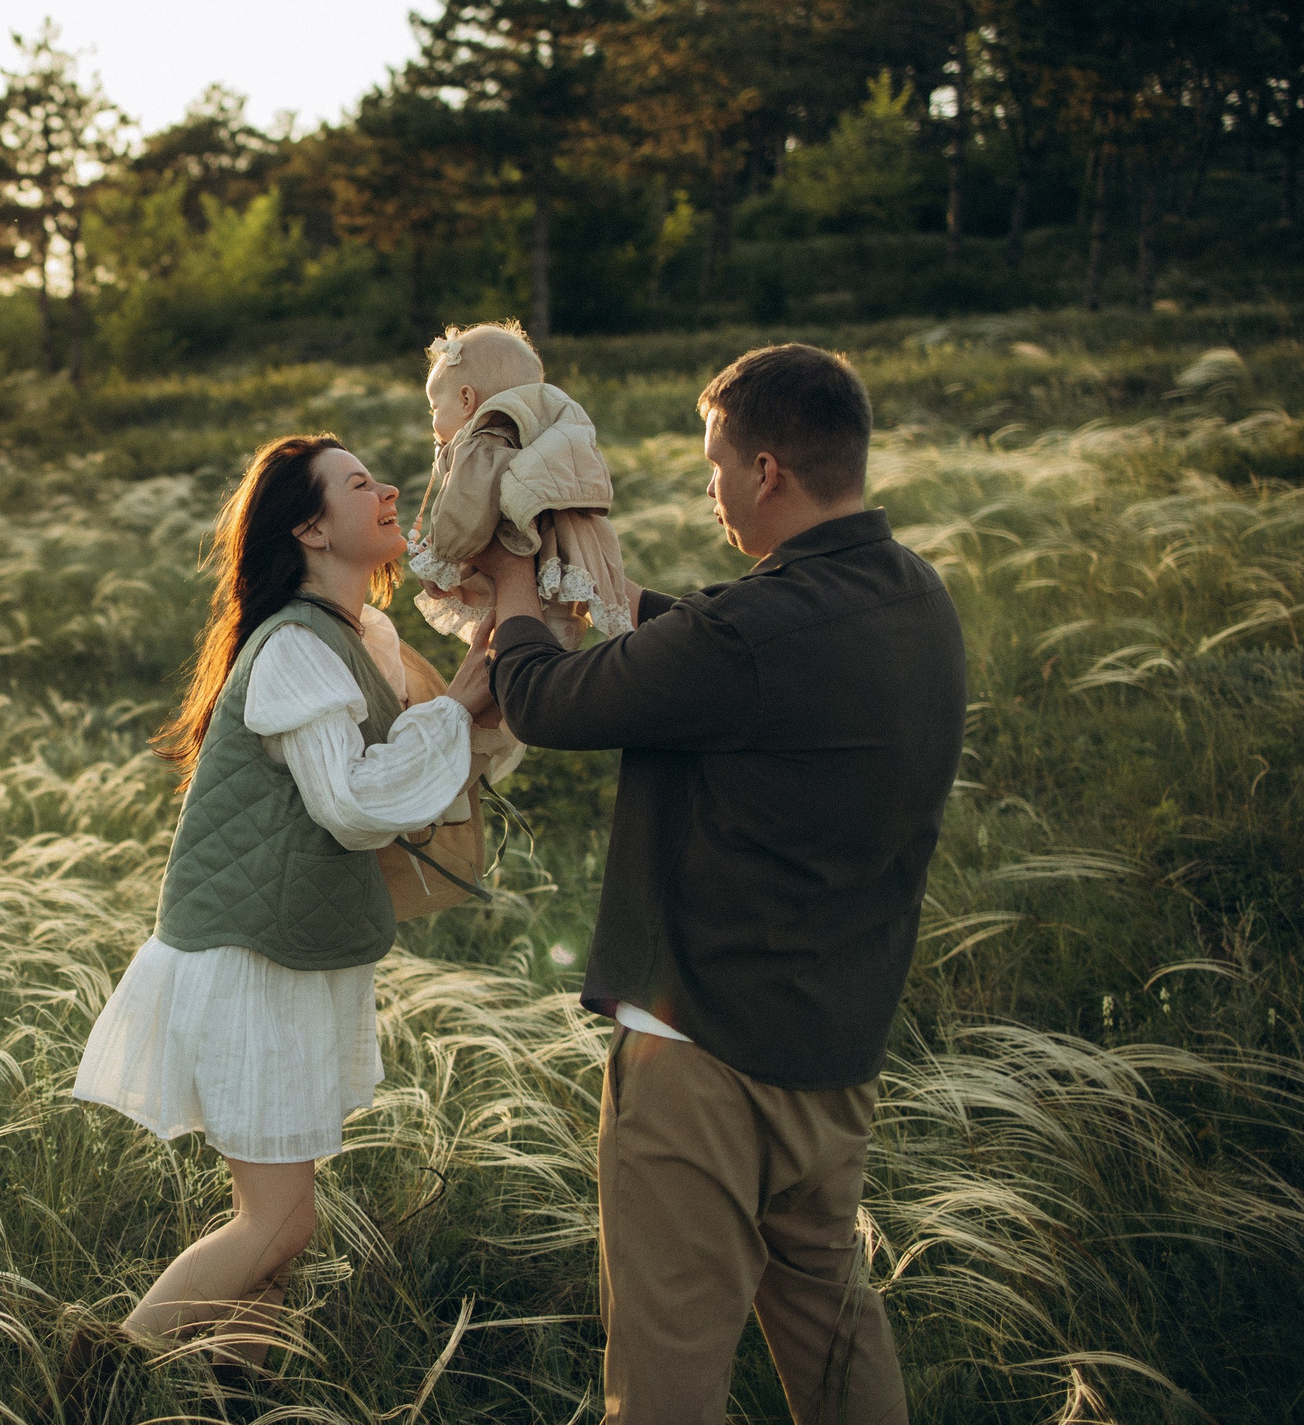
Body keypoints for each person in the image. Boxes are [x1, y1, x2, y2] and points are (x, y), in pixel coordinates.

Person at [475, 343, 965, 1424]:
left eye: (714, 464)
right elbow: (725, 653)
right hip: (832, 1051)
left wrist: (515, 595)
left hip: (706, 1061)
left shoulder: (750, 632)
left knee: (665, 1368)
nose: (709, 487)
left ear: (768, 471)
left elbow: (550, 704)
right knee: (828, 1323)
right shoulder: (912, 596)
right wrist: (621, 596)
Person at [67, 433, 501, 1415]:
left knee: (273, 1229)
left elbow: (440, 762)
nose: (388, 489)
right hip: (248, 958)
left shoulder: (362, 637)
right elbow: (351, 802)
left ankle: (235, 1400)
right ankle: (96, 1385)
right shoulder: (295, 648)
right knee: (277, 1224)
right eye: (358, 484)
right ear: (310, 527)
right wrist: (460, 707)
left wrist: (480, 682)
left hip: (297, 952)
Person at [405, 320, 637, 647]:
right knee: (556, 636)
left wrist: (440, 560)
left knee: (519, 651)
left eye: (434, 408)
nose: (433, 421)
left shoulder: (481, 446)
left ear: (466, 399)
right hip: (556, 568)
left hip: (520, 574)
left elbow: (465, 513)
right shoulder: (535, 440)